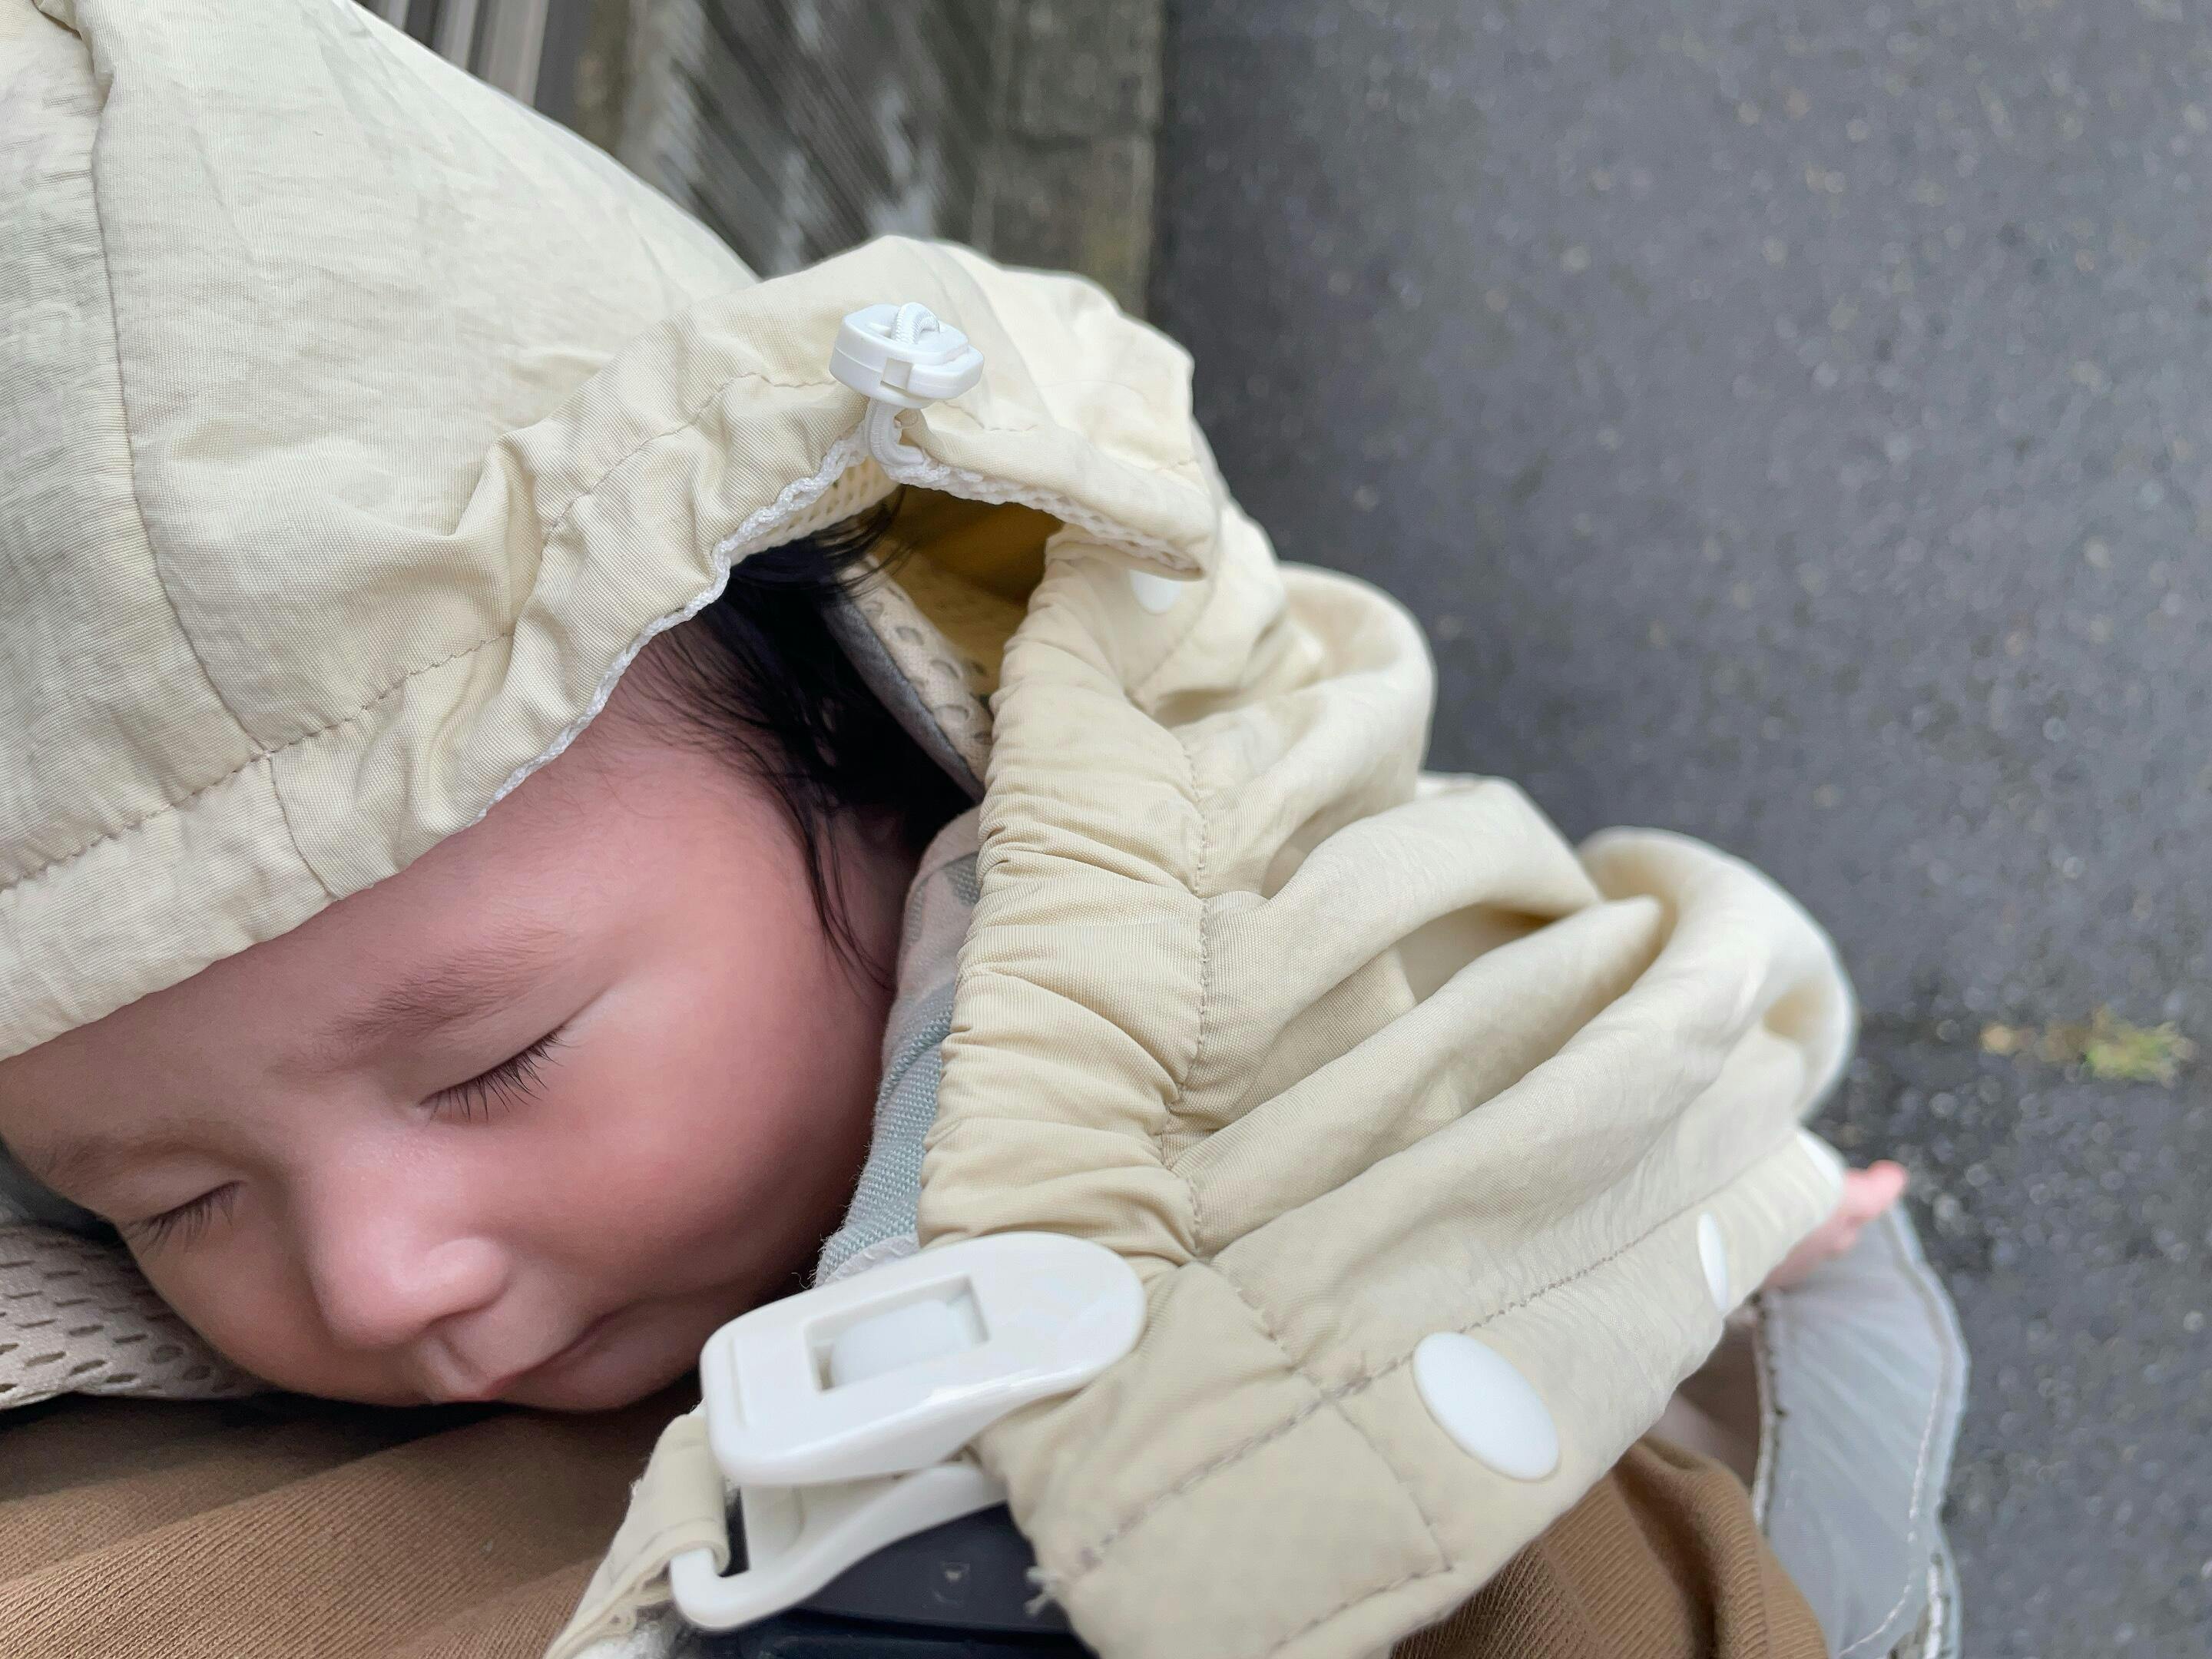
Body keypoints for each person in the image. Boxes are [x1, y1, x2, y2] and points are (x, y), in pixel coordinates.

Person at [0, 3, 1965, 1657]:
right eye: (171, 1199)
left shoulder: (1283, 971)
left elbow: (1537, 1103)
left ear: (878, 749)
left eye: (491, 1059)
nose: (374, 1283)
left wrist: (1715, 1249)